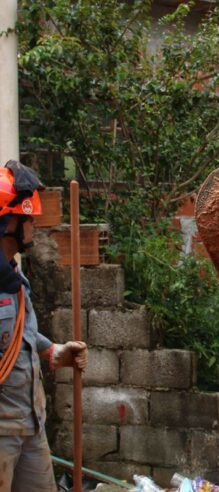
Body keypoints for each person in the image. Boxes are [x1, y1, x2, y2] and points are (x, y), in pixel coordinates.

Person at [0, 160, 88, 492]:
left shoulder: (14, 278)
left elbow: (22, 334)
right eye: (28, 218)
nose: (34, 225)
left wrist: (55, 352)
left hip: (31, 424)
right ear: (8, 223)